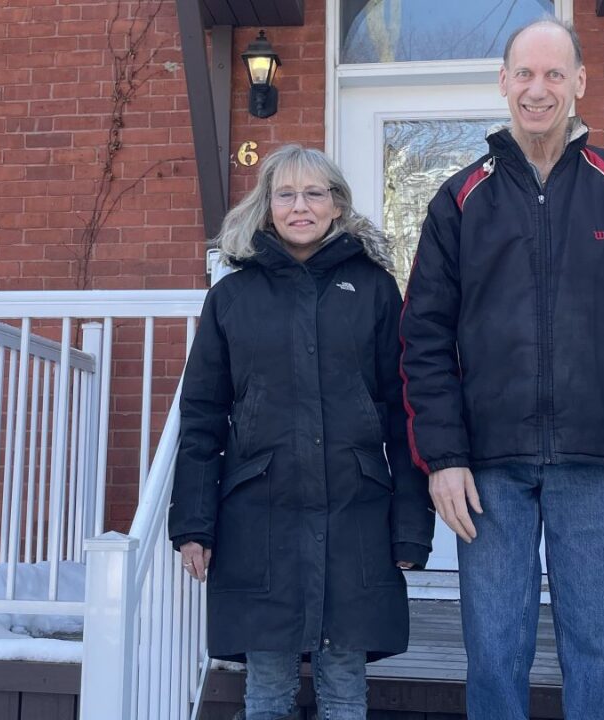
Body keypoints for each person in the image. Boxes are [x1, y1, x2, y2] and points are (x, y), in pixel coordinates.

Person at [398, 18, 604, 720]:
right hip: (488, 469)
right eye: (524, 74)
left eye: (553, 75)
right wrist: (444, 457)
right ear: (503, 84)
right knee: (493, 654)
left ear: (579, 83)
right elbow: (423, 338)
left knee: (601, 653)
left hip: (600, 459)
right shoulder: (459, 200)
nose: (537, 89)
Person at [169, 144, 433, 720]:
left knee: (344, 688)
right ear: (266, 208)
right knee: (266, 690)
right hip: (258, 518)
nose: (300, 206)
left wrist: (411, 528)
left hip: (355, 512)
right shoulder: (232, 298)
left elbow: (402, 410)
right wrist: (193, 523)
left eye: (315, 193)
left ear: (337, 204)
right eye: (285, 194)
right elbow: (203, 415)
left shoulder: (373, 290)